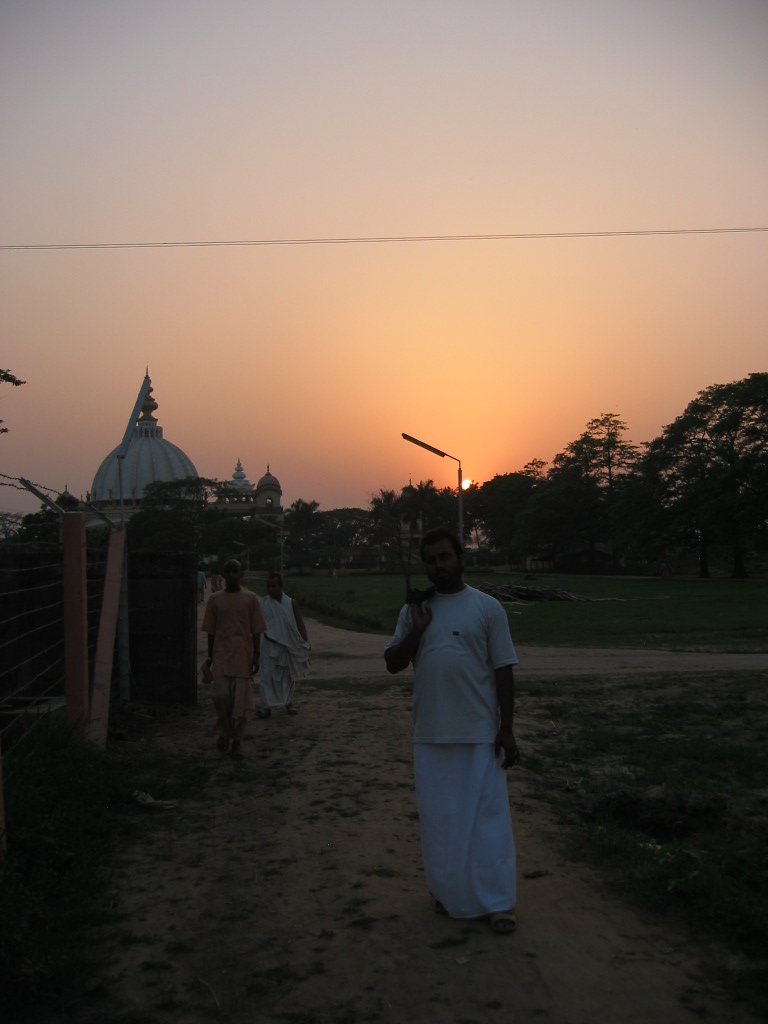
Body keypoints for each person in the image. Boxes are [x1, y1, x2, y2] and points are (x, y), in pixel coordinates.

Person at [384, 527, 519, 934]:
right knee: (441, 823)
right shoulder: (414, 611)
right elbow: (393, 662)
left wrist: (507, 728)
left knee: (487, 822)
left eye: (445, 557)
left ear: (461, 558)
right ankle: (449, 894)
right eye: (431, 559)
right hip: (431, 735)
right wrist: (418, 629)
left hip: (479, 733)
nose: (438, 565)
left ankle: (497, 904)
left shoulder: (487, 608)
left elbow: (503, 669)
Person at [201, 559, 266, 757]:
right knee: (221, 697)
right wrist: (210, 657)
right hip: (221, 653)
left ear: (241, 574)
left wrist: (256, 655)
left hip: (242, 654)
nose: (231, 574)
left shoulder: (251, 598)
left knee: (240, 700)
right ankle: (224, 732)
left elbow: (256, 630)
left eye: (234, 570)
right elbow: (210, 631)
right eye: (227, 571)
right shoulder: (215, 600)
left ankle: (236, 739)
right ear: (223, 574)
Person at [257, 572, 310, 718]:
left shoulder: (291, 602)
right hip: (269, 644)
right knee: (267, 675)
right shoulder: (263, 603)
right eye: (268, 586)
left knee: (287, 676)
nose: (270, 588)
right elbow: (258, 626)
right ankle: (265, 706)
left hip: (288, 645)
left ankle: (288, 703)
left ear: (281, 586)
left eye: (274, 585)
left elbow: (299, 623)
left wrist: (306, 641)